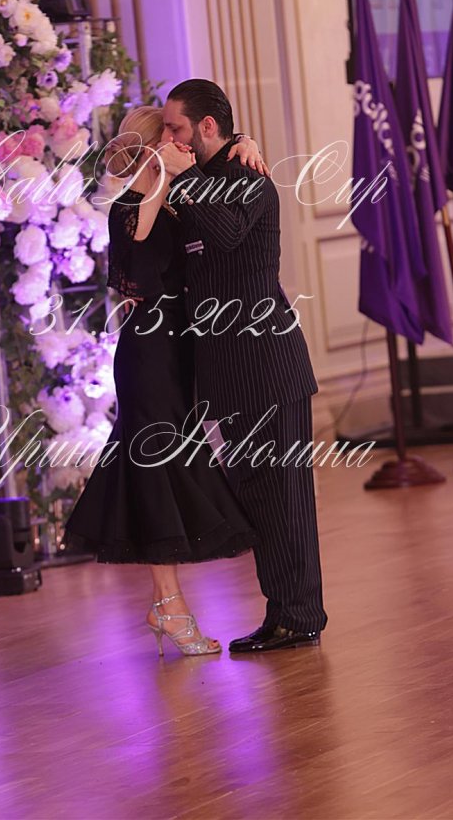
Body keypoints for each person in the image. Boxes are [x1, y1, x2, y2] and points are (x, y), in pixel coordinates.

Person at [63, 106, 264, 657]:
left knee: (164, 468)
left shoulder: (179, 198)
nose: (183, 143)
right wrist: (157, 172)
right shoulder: (132, 206)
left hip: (183, 353)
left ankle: (164, 605)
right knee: (155, 468)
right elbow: (134, 273)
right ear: (154, 147)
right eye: (171, 136)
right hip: (148, 353)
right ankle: (171, 606)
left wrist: (244, 141)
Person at [159, 78, 328, 653]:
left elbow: (229, 234)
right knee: (259, 498)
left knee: (285, 498)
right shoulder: (202, 178)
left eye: (177, 128)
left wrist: (185, 177)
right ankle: (285, 612)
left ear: (207, 126)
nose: (170, 139)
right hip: (233, 372)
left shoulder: (248, 176)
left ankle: (299, 615)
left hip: (268, 367)